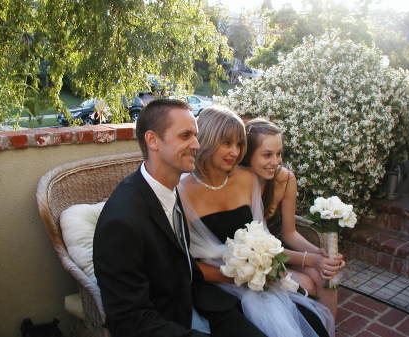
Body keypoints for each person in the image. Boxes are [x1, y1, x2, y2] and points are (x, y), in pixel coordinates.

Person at [93, 99, 267, 337]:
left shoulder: (171, 189)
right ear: (153, 140)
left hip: (202, 301)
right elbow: (129, 320)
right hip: (168, 322)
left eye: (195, 135)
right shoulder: (122, 222)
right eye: (185, 136)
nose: (196, 144)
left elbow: (182, 266)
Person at [179, 106, 335, 337]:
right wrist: (239, 275)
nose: (234, 151)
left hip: (257, 280)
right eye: (226, 143)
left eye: (239, 144)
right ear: (207, 141)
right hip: (212, 285)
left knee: (311, 322)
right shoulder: (181, 191)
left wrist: (261, 270)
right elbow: (185, 263)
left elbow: (261, 237)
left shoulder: (247, 179)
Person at [241, 118, 345, 317]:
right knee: (306, 282)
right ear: (248, 155)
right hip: (255, 258)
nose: (276, 161)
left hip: (281, 247)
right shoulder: (238, 183)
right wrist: (312, 260)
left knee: (327, 276)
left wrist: (323, 256)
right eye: (267, 155)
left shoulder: (285, 179)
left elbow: (290, 233)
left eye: (279, 154)